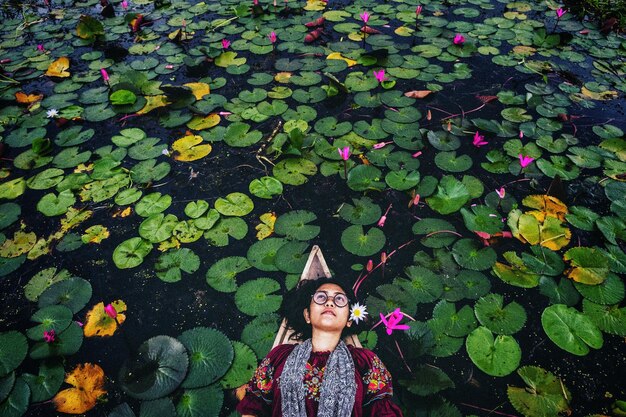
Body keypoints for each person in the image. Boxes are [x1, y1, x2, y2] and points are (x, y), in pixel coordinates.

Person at [237, 277, 404, 417]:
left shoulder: (365, 362)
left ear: (349, 320)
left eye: (339, 299)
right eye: (321, 297)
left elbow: (383, 411)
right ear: (307, 315)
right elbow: (254, 406)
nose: (330, 302)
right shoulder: (279, 356)